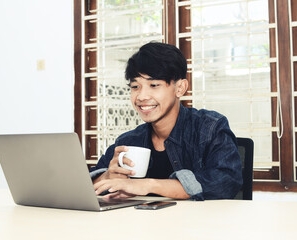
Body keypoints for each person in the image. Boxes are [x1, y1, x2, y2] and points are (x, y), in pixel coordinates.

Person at [91, 42, 242, 201]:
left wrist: (148, 185)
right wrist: (107, 177)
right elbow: (84, 186)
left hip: (197, 224)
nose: (141, 96)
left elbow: (225, 182)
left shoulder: (209, 127)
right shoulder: (128, 141)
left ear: (180, 88)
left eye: (154, 85)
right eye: (135, 86)